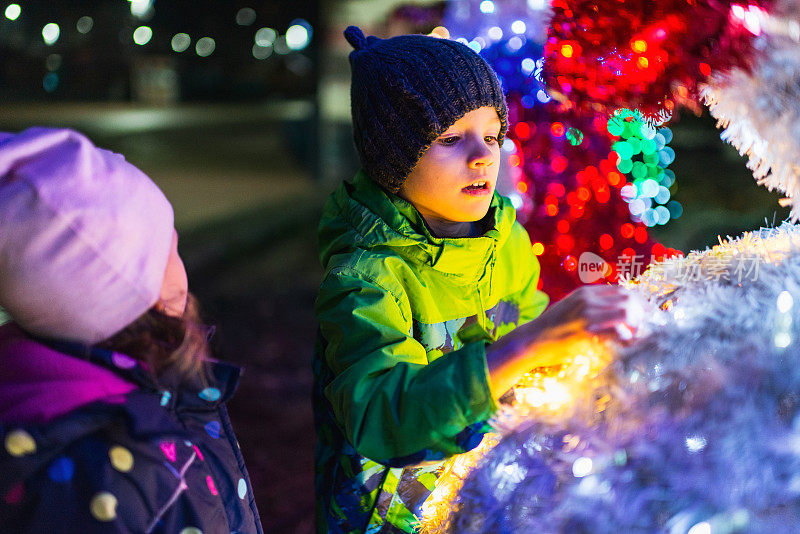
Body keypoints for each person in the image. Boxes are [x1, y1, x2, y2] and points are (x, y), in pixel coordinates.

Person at [313, 26, 638, 533]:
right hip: (392, 516)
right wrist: (532, 342)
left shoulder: (505, 238)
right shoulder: (365, 277)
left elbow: (537, 352)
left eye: (492, 135)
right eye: (449, 137)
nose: (483, 155)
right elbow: (382, 413)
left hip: (486, 498)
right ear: (392, 160)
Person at [0, 128, 263, 533]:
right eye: (170, 249)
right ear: (140, 291)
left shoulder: (45, 393)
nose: (181, 264)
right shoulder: (119, 468)